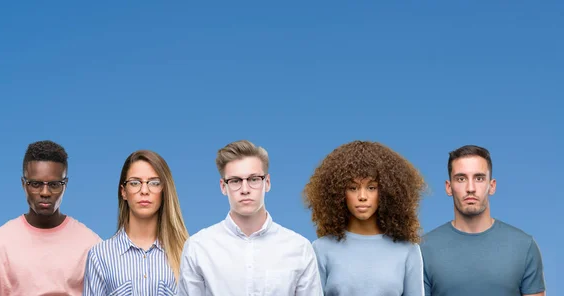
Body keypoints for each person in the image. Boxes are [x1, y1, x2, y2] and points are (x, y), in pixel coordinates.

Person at [178, 140, 323, 296]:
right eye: (235, 181)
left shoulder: (299, 248)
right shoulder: (198, 248)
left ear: (267, 183)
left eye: (253, 179)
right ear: (223, 187)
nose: (245, 189)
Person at [0, 140, 102, 296]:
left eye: (54, 184)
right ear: (24, 184)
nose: (45, 192)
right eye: (35, 184)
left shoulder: (93, 247)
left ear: (65, 185)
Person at [420, 145, 546, 296]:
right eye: (461, 179)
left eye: (479, 178)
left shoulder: (524, 246)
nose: (470, 188)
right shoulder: (424, 249)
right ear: (449, 187)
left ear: (491, 186)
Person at [304, 140, 425, 296]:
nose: (362, 196)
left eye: (371, 188)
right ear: (339, 193)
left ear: (388, 192)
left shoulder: (408, 250)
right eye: (353, 188)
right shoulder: (321, 249)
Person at [83, 150, 190, 295]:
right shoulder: (100, 256)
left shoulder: (188, 252)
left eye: (154, 183)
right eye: (135, 183)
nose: (144, 190)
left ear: (164, 190)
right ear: (124, 191)